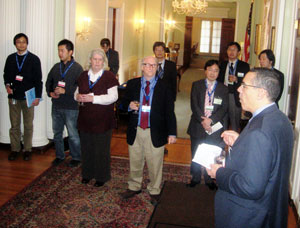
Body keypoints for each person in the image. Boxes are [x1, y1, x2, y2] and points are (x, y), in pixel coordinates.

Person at [207, 68, 294, 228]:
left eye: (244, 86)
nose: (239, 89)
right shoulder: (281, 120)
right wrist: (241, 141)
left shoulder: (259, 132)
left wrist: (218, 172)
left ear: (261, 93)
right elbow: (268, 158)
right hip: (271, 210)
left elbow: (250, 188)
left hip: (248, 216)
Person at [120, 56, 177, 205]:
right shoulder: (132, 84)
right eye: (147, 65)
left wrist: (172, 133)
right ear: (142, 67)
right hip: (136, 129)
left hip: (156, 130)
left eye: (154, 65)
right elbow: (122, 104)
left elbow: (170, 112)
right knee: (135, 160)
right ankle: (134, 186)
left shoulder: (165, 87)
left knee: (155, 163)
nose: (150, 68)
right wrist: (128, 106)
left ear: (157, 67)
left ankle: (154, 189)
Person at [75, 48, 119, 187]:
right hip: (85, 119)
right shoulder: (82, 76)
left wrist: (92, 98)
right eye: (95, 59)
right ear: (90, 61)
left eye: (100, 60)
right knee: (86, 148)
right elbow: (76, 93)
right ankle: (87, 174)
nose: (97, 62)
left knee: (101, 150)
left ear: (104, 62)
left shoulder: (109, 76)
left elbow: (113, 97)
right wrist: (77, 96)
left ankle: (102, 176)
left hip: (103, 120)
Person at [187, 60, 228, 189]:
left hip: (214, 126)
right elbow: (194, 105)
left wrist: (211, 120)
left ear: (219, 73)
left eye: (216, 71)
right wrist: (203, 120)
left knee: (212, 153)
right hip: (198, 124)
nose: (212, 73)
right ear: (205, 71)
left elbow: (224, 108)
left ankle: (210, 179)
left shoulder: (223, 88)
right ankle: (196, 177)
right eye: (210, 70)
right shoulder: (197, 85)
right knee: (195, 151)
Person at [3, 33, 43, 161]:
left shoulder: (34, 59)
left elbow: (38, 80)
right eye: (18, 42)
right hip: (14, 96)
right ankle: (15, 149)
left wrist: (37, 96)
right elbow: (6, 75)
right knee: (14, 125)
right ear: (15, 44)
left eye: (23, 42)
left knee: (28, 125)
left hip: (29, 97)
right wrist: (7, 85)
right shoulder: (10, 58)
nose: (21, 44)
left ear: (27, 43)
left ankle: (27, 149)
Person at [46, 39, 83, 167]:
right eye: (59, 50)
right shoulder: (56, 67)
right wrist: (50, 92)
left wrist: (65, 90)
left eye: (62, 50)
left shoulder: (78, 68)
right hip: (56, 105)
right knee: (57, 133)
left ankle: (76, 157)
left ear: (70, 52)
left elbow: (80, 87)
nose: (60, 53)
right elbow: (48, 82)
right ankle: (60, 156)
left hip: (71, 107)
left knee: (73, 134)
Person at [218, 42, 250, 131]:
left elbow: (247, 82)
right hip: (223, 94)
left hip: (235, 95)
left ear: (239, 52)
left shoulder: (244, 66)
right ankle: (222, 139)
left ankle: (234, 141)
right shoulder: (222, 64)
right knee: (222, 118)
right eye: (229, 50)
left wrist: (237, 80)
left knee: (235, 120)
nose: (231, 52)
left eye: (234, 50)